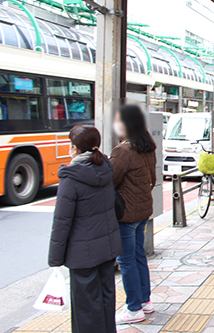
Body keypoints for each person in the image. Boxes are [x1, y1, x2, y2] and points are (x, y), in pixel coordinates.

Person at [48, 125, 121, 333]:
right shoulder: (105, 167)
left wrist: (55, 260)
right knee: (106, 300)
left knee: (86, 309)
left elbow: (62, 221)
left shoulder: (71, 177)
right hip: (106, 249)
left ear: (75, 148)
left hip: (82, 255)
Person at [111, 104, 157, 325]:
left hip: (127, 213)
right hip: (142, 211)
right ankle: (145, 301)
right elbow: (152, 178)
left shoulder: (123, 150)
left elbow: (111, 180)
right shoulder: (147, 146)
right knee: (138, 257)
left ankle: (134, 308)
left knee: (126, 260)